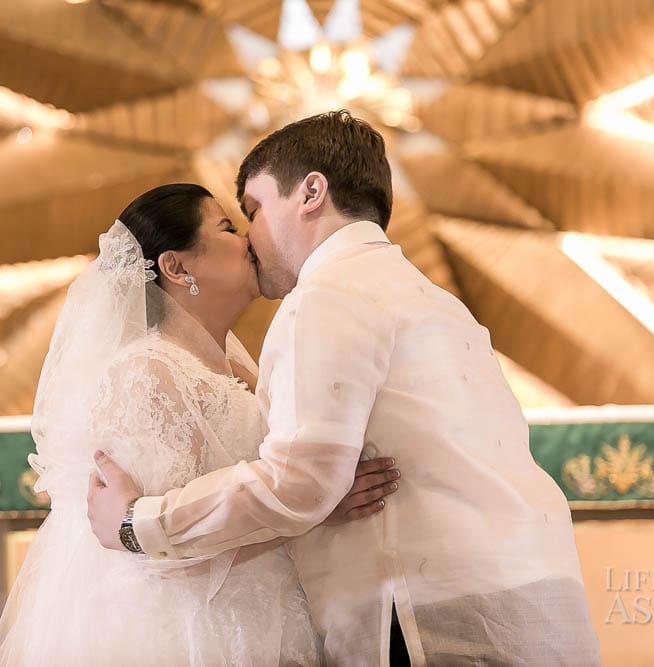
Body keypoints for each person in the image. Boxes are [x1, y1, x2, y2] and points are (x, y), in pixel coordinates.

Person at [87, 111, 603, 666]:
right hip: (524, 601)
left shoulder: (328, 294)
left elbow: (300, 483)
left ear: (311, 192)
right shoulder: (430, 298)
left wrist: (138, 525)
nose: (252, 239)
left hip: (436, 619)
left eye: (254, 211)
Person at [0, 183, 399, 666]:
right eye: (226, 226)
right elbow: (163, 557)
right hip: (197, 633)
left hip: (273, 616)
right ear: (177, 267)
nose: (247, 237)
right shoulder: (146, 374)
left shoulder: (237, 367)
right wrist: (314, 510)